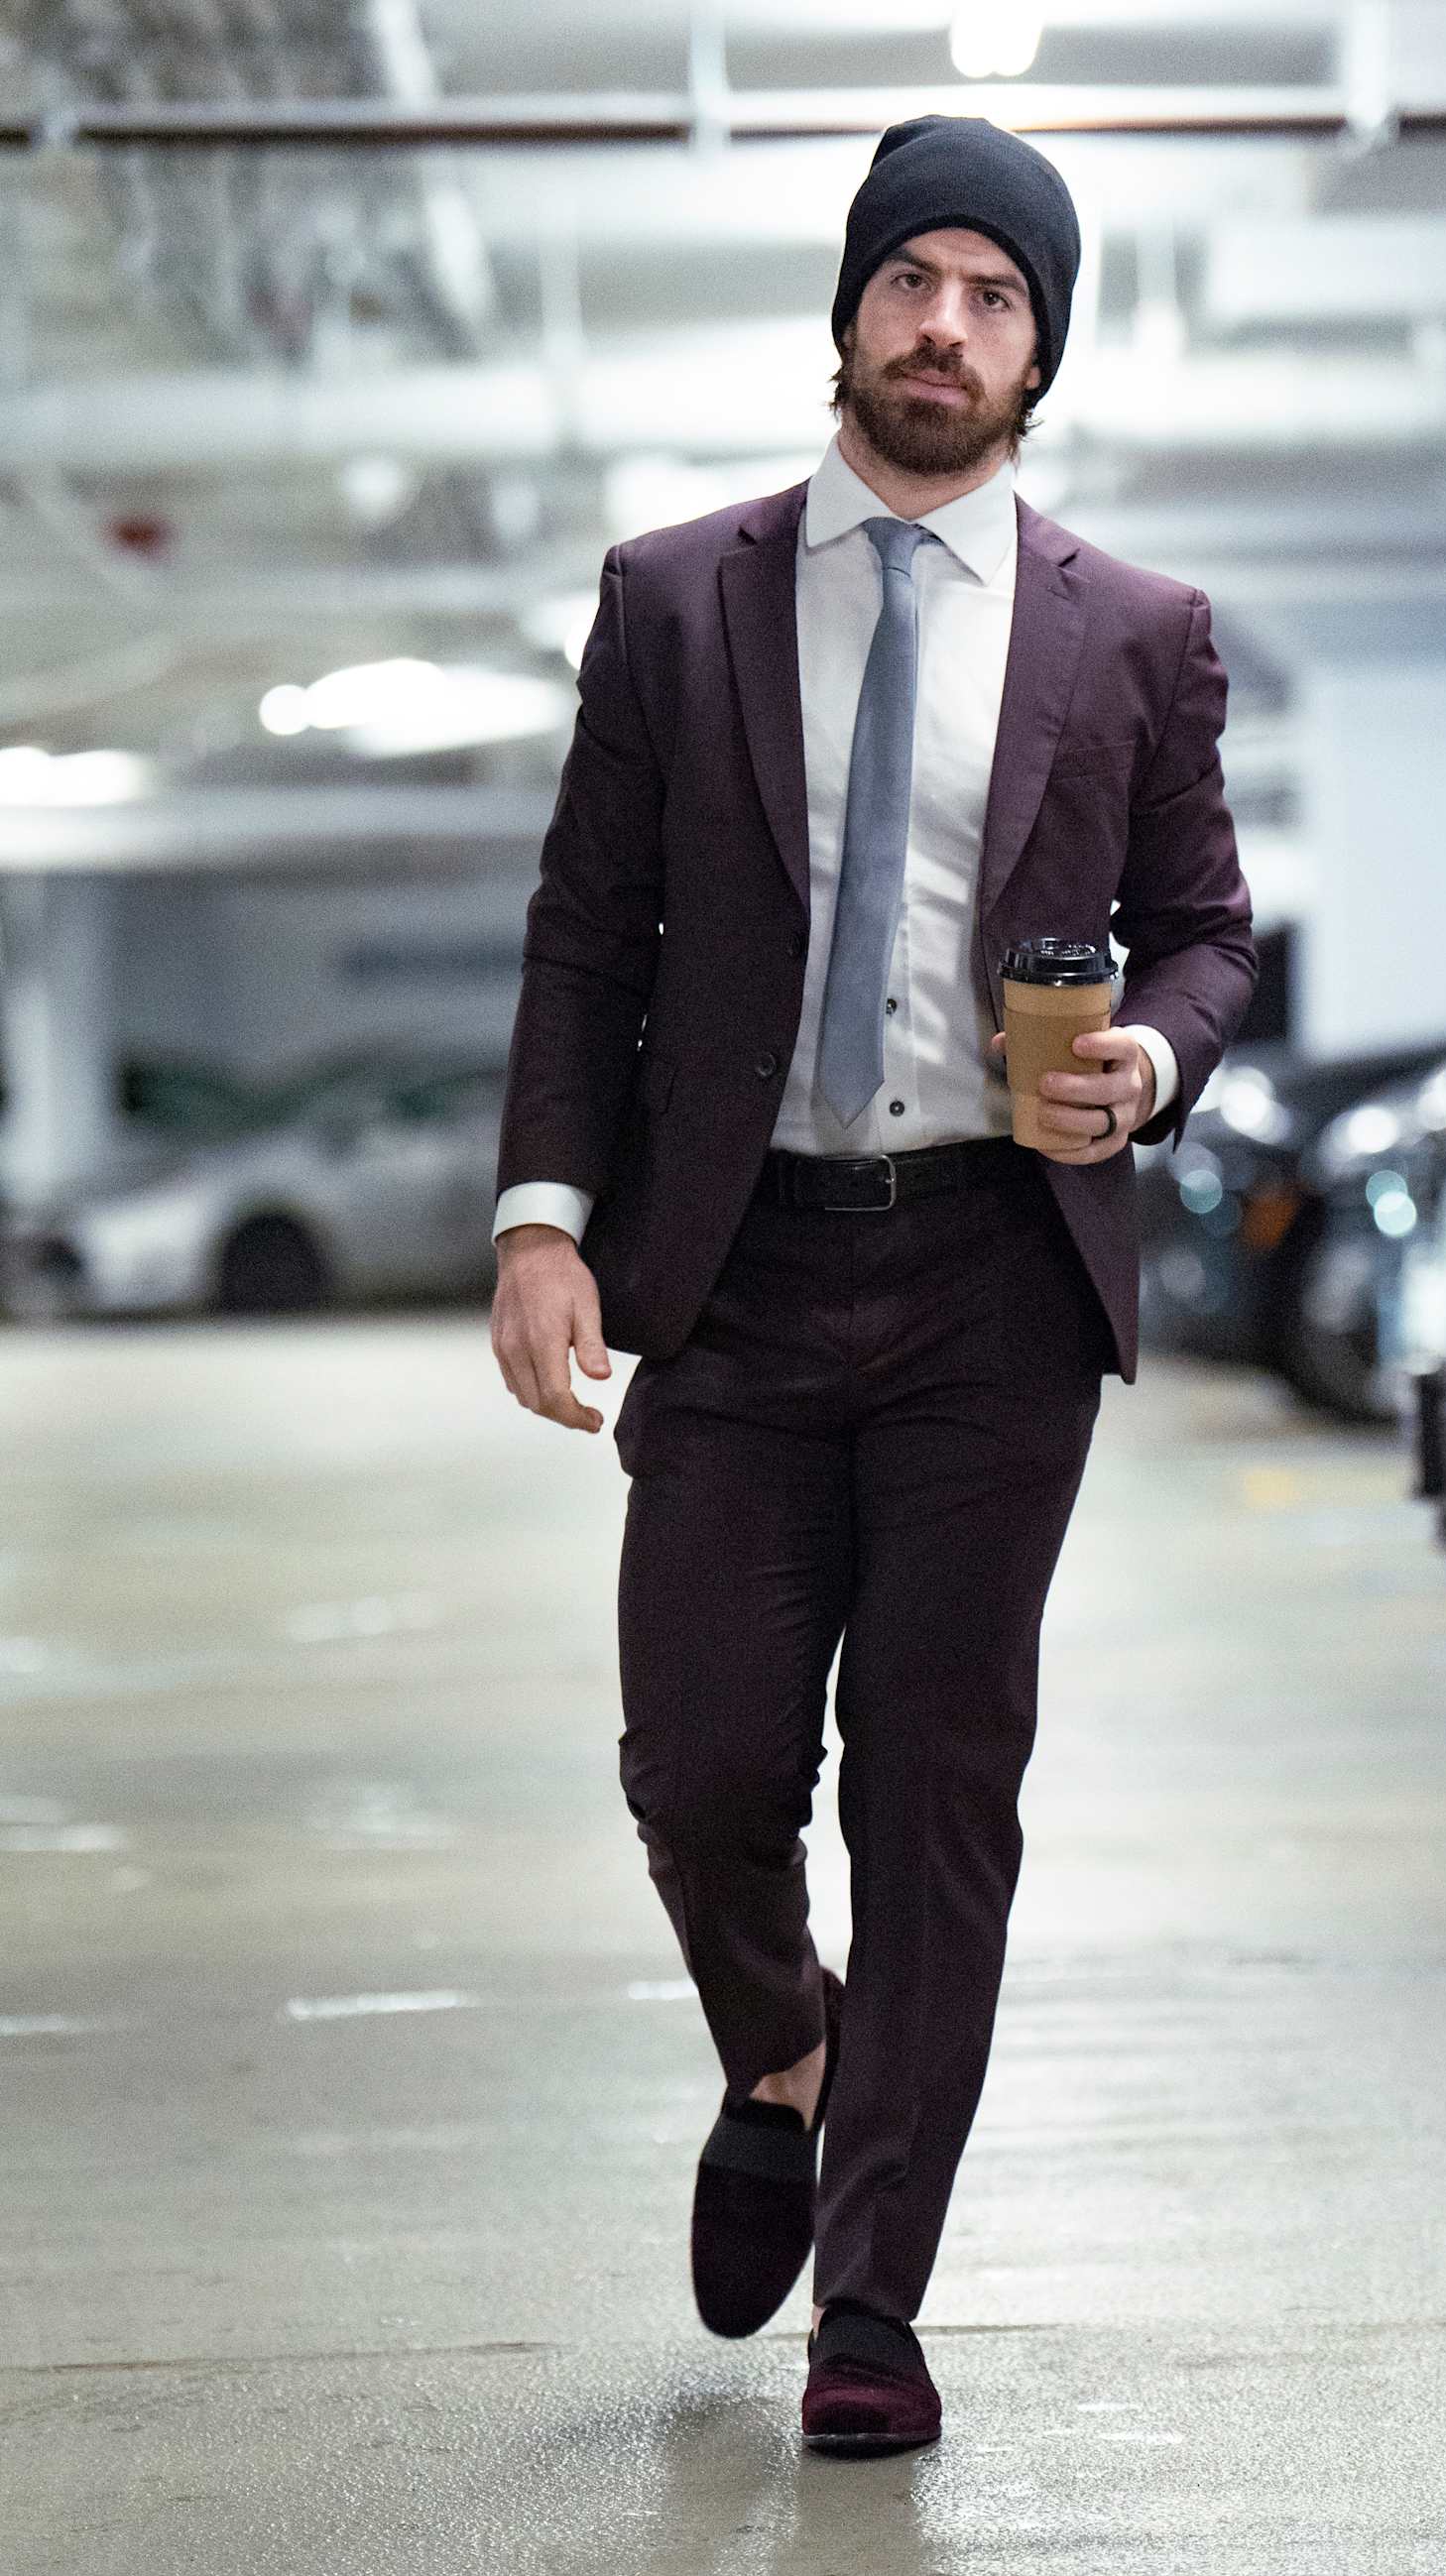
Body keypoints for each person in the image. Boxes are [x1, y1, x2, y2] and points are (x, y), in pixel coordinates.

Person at [489, 112, 1256, 2456]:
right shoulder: (674, 596)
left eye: (996, 294)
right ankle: (784, 2046)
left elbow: (1213, 929)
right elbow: (586, 937)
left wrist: (1150, 1047)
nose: (946, 325)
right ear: (848, 312)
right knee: (703, 1756)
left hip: (989, 1294)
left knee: (942, 1782)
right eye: (912, 279)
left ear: (1041, 350)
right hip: (731, 1272)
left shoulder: (1135, 630)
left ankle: (875, 2298)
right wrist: (542, 1212)